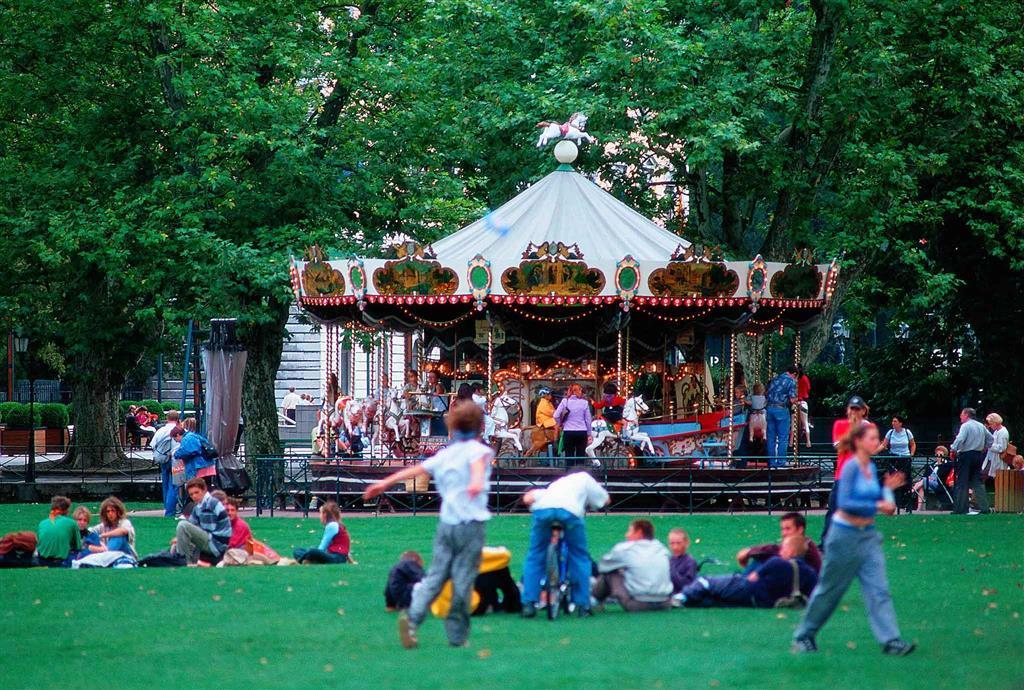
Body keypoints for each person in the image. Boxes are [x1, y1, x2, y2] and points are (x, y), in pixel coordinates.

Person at [363, 402, 492, 649]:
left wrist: (383, 484)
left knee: (435, 577)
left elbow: (415, 469)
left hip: (446, 525)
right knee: (463, 580)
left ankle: (412, 619)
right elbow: (477, 469)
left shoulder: (445, 454)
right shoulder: (479, 451)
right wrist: (475, 483)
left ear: (452, 427)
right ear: (480, 426)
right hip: (471, 525)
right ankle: (457, 637)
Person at [792, 423, 914, 655]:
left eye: (877, 438)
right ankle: (804, 635)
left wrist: (887, 490)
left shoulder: (869, 467)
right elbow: (846, 503)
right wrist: (878, 503)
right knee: (830, 590)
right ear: (858, 441)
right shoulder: (850, 467)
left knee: (878, 590)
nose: (876, 443)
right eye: (871, 438)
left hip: (867, 537)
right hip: (843, 537)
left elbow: (884, 505)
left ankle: (891, 641)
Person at [520, 470, 611, 618]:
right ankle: (583, 605)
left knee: (535, 554)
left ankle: (529, 603)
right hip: (570, 512)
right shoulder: (585, 478)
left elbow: (528, 497)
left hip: (543, 510)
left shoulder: (557, 485)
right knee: (579, 555)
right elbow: (604, 500)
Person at [682, 536, 817, 608]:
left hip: (749, 589)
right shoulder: (810, 573)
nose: (781, 551)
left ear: (792, 551)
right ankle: (686, 599)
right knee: (710, 601)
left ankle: (677, 598)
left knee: (706, 582)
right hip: (760, 603)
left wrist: (756, 574)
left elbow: (755, 575)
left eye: (784, 548)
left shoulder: (778, 562)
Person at [821, 396, 873, 546]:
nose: (854, 412)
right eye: (852, 409)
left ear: (863, 411)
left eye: (857, 409)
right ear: (848, 410)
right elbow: (839, 447)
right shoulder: (840, 424)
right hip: (842, 474)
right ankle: (826, 543)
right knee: (833, 509)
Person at [592, 519, 673, 612]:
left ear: (639, 532)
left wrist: (620, 570)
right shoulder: (662, 549)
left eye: (630, 531)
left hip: (638, 603)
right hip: (665, 603)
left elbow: (602, 567)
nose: (626, 535)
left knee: (610, 574)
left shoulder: (625, 549)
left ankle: (594, 601)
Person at [736, 512, 823, 574]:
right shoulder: (804, 543)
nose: (783, 533)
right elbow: (776, 549)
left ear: (800, 529)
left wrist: (749, 551)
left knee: (764, 561)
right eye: (782, 529)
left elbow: (776, 551)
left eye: (788, 529)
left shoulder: (804, 547)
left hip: (796, 591)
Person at [172, 478, 231, 565]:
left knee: (182, 525)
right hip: (211, 540)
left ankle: (184, 561)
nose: (194, 496)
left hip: (216, 544)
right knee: (177, 544)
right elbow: (192, 524)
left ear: (204, 490)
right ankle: (187, 560)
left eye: (196, 492)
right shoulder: (199, 505)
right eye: (191, 494)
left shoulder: (210, 504)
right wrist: (180, 538)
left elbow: (207, 530)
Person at [950, 408, 993, 514]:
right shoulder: (981, 426)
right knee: (977, 482)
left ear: (966, 415)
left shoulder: (965, 426)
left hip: (966, 455)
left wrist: (953, 449)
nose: (960, 416)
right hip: (978, 455)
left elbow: (960, 439)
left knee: (962, 482)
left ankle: (960, 508)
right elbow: (991, 439)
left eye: (961, 414)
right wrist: (985, 447)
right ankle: (984, 508)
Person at [764, 367, 798, 467]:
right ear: (794, 374)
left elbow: (767, 394)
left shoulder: (775, 379)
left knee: (771, 437)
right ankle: (781, 462)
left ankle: (771, 462)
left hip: (770, 409)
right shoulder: (791, 381)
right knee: (783, 437)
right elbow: (792, 400)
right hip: (781, 409)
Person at [35, 496, 81, 567]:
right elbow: (77, 547)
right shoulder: (71, 523)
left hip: (41, 560)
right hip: (61, 562)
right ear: (66, 510)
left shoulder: (42, 523)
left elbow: (39, 544)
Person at [151, 411, 181, 517]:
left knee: (165, 483)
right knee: (174, 485)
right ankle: (171, 508)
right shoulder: (180, 430)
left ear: (167, 418)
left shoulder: (161, 430)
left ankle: (166, 505)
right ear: (178, 418)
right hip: (176, 460)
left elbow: (153, 445)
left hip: (163, 459)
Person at [554, 383, 592, 466]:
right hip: (582, 431)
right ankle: (580, 474)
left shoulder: (565, 401)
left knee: (569, 455)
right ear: (579, 391)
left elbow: (556, 415)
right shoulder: (584, 403)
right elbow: (588, 420)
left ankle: (570, 474)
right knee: (580, 456)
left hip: (568, 431)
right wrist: (589, 433)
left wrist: (560, 423)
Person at [174, 417, 217, 487]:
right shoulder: (198, 436)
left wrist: (176, 454)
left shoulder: (188, 438)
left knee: (198, 490)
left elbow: (188, 451)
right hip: (208, 466)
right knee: (206, 489)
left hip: (199, 468)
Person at [668, 528, 698, 594]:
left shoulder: (690, 562)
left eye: (678, 543)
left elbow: (687, 586)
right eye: (672, 543)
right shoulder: (669, 560)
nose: (675, 547)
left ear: (687, 543)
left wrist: (671, 570)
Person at [983, 413, 1010, 480]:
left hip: (997, 459)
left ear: (995, 422)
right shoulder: (996, 431)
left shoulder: (1003, 432)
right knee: (984, 475)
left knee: (997, 478)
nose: (990, 426)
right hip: (991, 458)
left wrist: (989, 445)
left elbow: (1001, 448)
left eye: (990, 424)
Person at [427, 371, 449, 436]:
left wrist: (430, 394)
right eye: (429, 377)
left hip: (440, 410)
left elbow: (439, 392)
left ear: (437, 378)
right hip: (435, 410)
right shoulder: (432, 387)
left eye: (432, 377)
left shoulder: (438, 385)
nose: (430, 378)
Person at [797, 365, 812, 448]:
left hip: (796, 401)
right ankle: (808, 441)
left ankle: (791, 441)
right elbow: (808, 389)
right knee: (806, 422)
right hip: (804, 400)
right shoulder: (805, 378)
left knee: (792, 422)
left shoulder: (793, 379)